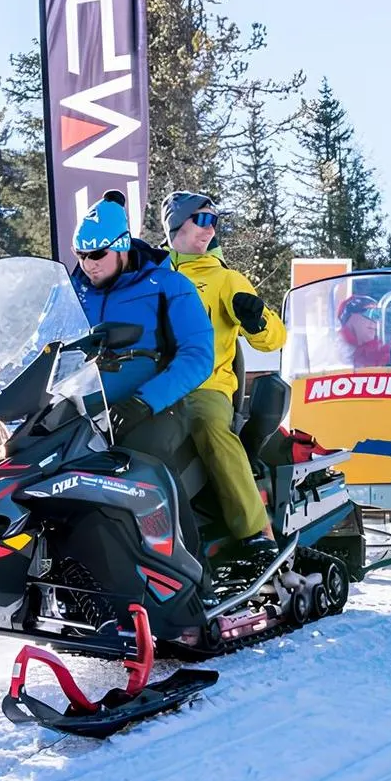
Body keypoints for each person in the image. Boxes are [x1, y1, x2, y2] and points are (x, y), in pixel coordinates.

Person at [160, 190, 285, 559]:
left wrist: (256, 319)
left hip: (204, 386)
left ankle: (255, 531)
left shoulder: (225, 279)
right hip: (152, 383)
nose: (210, 228)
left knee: (209, 427)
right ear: (175, 224)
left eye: (215, 221)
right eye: (201, 219)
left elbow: (274, 337)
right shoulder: (151, 275)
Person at [68, 193, 215, 470]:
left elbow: (198, 356)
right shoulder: (72, 292)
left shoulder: (168, 286)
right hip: (81, 406)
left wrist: (145, 402)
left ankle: (178, 514)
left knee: (140, 465)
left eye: (98, 254)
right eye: (81, 255)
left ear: (122, 245)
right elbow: (41, 341)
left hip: (153, 406)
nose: (89, 264)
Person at [336, 294, 387, 368]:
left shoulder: (380, 351)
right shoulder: (329, 349)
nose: (376, 322)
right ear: (350, 317)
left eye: (378, 315)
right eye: (370, 314)